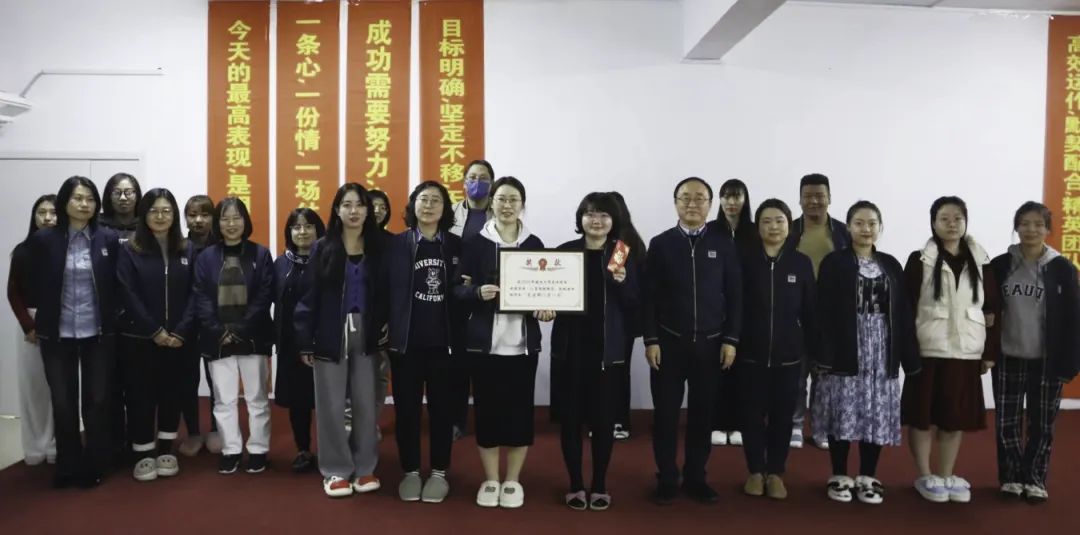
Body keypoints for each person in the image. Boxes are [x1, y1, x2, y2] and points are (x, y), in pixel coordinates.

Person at [453, 176, 551, 509]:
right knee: (487, 414)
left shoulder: (534, 243)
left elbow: (546, 289)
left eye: (513, 199)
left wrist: (546, 308)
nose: (507, 205)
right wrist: (476, 292)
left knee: (520, 415)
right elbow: (456, 289)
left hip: (522, 346)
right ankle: (491, 479)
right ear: (491, 203)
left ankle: (513, 480)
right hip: (485, 345)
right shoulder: (475, 243)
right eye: (501, 199)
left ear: (522, 204)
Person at [813, 201, 918, 505]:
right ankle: (839, 474)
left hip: (881, 350)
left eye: (872, 223)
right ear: (848, 227)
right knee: (842, 410)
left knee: (875, 412)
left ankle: (868, 476)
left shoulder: (891, 264)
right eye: (859, 223)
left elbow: (903, 312)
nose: (866, 229)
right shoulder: (834, 263)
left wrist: (909, 357)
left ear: (880, 227)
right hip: (845, 348)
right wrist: (823, 353)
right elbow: (823, 310)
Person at [643, 177, 741, 505]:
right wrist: (651, 339)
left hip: (712, 345)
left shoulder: (723, 243)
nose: (692, 204)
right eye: (685, 197)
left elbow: (735, 295)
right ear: (675, 203)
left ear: (710, 204)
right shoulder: (661, 244)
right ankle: (667, 477)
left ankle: (697, 476)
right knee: (666, 416)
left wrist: (731, 339)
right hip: (668, 344)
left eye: (700, 198)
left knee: (703, 415)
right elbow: (649, 297)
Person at [902, 196, 997, 504]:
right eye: (944, 218)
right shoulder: (920, 259)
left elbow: (992, 309)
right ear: (933, 223)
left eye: (958, 218)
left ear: (966, 222)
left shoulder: (981, 260)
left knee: (953, 417)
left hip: (965, 351)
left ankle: (945, 474)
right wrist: (907, 350)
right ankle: (924, 474)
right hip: (928, 349)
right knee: (922, 416)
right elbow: (905, 307)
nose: (952, 224)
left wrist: (988, 352)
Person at [294, 183, 386, 498]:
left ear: (368, 210)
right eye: (347, 204)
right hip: (330, 331)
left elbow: (386, 294)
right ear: (337, 210)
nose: (354, 211)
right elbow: (308, 296)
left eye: (359, 204)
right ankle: (335, 470)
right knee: (331, 405)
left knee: (366, 403)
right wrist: (306, 340)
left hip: (367, 332)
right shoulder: (323, 247)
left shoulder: (378, 247)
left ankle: (365, 467)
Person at [30, 176, 121, 488]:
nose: (85, 204)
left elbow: (117, 284)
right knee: (63, 402)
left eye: (90, 199)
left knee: (97, 401)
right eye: (78, 198)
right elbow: (31, 281)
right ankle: (67, 466)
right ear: (64, 202)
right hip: (57, 333)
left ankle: (95, 463)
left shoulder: (107, 239)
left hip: (98, 332)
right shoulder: (45, 240)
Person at [551, 192, 639, 511]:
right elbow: (548, 293)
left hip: (607, 353)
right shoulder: (565, 252)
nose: (596, 220)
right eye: (590, 214)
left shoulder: (620, 253)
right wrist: (544, 307)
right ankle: (575, 483)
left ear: (614, 220)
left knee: (603, 423)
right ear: (581, 219)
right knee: (571, 422)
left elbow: (634, 303)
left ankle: (600, 483)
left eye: (604, 215)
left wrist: (623, 282)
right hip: (570, 351)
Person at [375, 181, 463, 503]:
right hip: (406, 345)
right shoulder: (396, 245)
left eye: (435, 200)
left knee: (442, 411)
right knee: (407, 411)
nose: (428, 206)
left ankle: (439, 472)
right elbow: (382, 290)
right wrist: (383, 326)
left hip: (444, 344)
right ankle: (410, 470)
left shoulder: (456, 245)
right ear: (413, 206)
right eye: (423, 200)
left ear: (445, 208)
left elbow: (463, 292)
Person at [990, 201, 1080, 503]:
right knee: (1006, 423)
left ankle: (1035, 478)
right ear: (1016, 227)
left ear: (1048, 229)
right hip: (1008, 356)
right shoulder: (1001, 265)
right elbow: (989, 310)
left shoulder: (1062, 269)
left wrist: (1070, 360)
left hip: (1046, 359)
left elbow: (1073, 318)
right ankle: (1011, 477)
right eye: (1025, 223)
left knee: (1042, 424)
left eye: (1038, 224)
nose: (1031, 229)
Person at [116, 188, 197, 482]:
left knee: (171, 393)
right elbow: (127, 293)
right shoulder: (130, 249)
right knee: (141, 395)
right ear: (143, 214)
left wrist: (181, 330)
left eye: (166, 210)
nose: (160, 216)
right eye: (153, 211)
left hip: (177, 339)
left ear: (174, 215)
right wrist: (154, 330)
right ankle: (142, 452)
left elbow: (195, 293)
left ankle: (165, 449)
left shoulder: (187, 249)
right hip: (140, 339)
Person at [738, 199, 815, 500]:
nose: (773, 227)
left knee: (783, 417)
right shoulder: (744, 260)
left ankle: (776, 473)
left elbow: (810, 311)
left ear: (789, 225)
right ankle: (755, 471)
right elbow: (734, 305)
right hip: (750, 354)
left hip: (789, 356)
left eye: (779, 220)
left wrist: (812, 349)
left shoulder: (800, 263)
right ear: (757, 226)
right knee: (751, 416)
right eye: (766, 221)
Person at [192, 197, 275, 475]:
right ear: (218, 223)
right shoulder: (205, 257)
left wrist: (239, 328)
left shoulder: (260, 254)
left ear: (245, 221)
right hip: (217, 338)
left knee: (257, 398)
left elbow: (264, 295)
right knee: (223, 398)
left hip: (253, 336)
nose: (231, 224)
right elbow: (201, 297)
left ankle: (258, 449)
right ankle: (231, 450)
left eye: (236, 218)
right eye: (225, 219)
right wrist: (219, 330)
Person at [788, 173, 851, 450]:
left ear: (829, 198)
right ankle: (795, 424)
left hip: (830, 313)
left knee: (824, 376)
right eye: (808, 196)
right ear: (800, 199)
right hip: (796, 312)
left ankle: (821, 426)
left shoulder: (843, 232)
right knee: (796, 373)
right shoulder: (789, 230)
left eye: (819, 196)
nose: (814, 201)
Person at [7, 194, 58, 466]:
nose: (48, 218)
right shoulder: (23, 251)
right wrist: (28, 325)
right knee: (33, 387)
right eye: (42, 212)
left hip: (62, 321)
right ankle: (35, 447)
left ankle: (56, 443)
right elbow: (13, 292)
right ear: (34, 216)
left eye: (53, 212)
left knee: (60, 388)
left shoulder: (68, 249)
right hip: (31, 324)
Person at [274, 208, 325, 473]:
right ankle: (303, 449)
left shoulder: (328, 260)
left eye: (308, 226)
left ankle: (330, 452)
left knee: (327, 401)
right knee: (298, 402)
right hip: (291, 345)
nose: (302, 232)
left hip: (323, 341)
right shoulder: (281, 264)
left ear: (318, 230)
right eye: (296, 227)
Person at [447, 159, 495, 440]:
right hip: (456, 296)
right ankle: (456, 421)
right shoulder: (451, 213)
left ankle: (488, 421)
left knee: (487, 366)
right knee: (457, 365)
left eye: (484, 177)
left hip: (489, 297)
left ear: (492, 183)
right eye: (473, 177)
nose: (478, 182)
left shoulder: (500, 212)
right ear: (464, 182)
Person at [710, 178, 757, 447]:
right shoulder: (710, 230)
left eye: (736, 196)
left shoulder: (754, 231)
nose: (731, 202)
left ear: (745, 199)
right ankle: (717, 422)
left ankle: (738, 423)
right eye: (726, 196)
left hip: (748, 311)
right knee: (716, 369)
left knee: (743, 370)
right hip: (714, 310)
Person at [100, 172, 142, 459]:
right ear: (109, 196)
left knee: (138, 384)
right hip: (105, 315)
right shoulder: (98, 226)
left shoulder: (146, 226)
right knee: (108, 384)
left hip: (139, 316)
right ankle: (114, 442)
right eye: (118, 192)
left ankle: (140, 441)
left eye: (129, 192)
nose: (124, 198)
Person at [177, 194, 221, 456]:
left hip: (213, 324)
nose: (198, 220)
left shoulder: (221, 248)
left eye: (205, 214)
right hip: (185, 324)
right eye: (192, 215)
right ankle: (193, 432)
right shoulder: (179, 247)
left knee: (216, 380)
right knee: (187, 380)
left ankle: (216, 428)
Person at [608, 191, 646, 441]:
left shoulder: (622, 245)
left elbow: (614, 282)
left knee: (616, 372)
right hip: (619, 319)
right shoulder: (631, 239)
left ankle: (617, 420)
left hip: (619, 320)